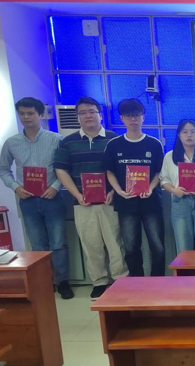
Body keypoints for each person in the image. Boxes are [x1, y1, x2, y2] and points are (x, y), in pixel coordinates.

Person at [0, 97, 73, 299]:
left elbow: (66, 168)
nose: (26, 117)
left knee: (58, 243)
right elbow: (3, 169)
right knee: (37, 245)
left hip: (52, 198)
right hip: (28, 200)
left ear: (41, 114)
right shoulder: (11, 143)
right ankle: (44, 281)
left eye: (30, 113)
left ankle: (62, 282)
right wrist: (15, 187)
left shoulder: (56, 139)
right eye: (22, 113)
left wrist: (56, 186)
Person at [54, 96, 127, 300]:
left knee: (115, 244)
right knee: (91, 245)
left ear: (100, 115)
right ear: (78, 117)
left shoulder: (113, 139)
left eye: (92, 112)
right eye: (83, 113)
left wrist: (114, 191)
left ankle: (120, 281)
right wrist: (77, 194)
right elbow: (61, 170)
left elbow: (122, 169)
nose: (88, 116)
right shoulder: (67, 142)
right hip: (82, 203)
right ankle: (99, 282)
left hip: (109, 202)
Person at [103, 98, 165, 277]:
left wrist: (151, 188)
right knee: (131, 247)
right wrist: (118, 191)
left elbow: (158, 172)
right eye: (129, 116)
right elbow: (110, 172)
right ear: (122, 118)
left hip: (151, 202)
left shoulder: (154, 144)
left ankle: (158, 282)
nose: (133, 119)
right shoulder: (114, 144)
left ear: (143, 117)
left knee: (158, 246)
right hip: (126, 203)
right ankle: (137, 284)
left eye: (137, 115)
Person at [160, 119, 195, 254]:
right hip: (180, 202)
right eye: (185, 132)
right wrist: (174, 190)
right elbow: (164, 179)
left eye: (193, 132)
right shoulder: (170, 156)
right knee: (183, 246)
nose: (189, 135)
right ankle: (185, 270)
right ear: (179, 135)